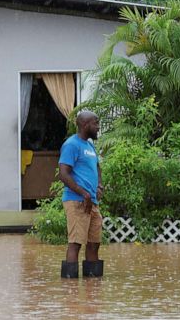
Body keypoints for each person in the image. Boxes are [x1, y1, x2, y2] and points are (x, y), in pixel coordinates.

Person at [58, 111, 103, 278]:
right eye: (96, 123)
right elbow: (63, 174)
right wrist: (83, 194)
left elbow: (97, 167)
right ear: (85, 125)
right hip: (76, 201)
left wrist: (99, 185)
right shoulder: (71, 145)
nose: (98, 127)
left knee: (94, 243)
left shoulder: (90, 145)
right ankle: (71, 291)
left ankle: (93, 288)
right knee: (76, 243)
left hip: (91, 202)